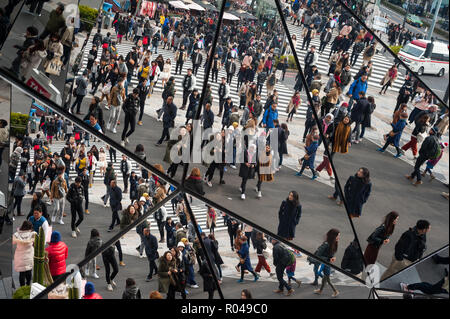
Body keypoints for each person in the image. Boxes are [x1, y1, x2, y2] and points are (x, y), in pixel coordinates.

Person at [313, 229, 340, 297]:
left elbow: (331, 254)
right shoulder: (326, 244)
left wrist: (332, 258)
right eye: (338, 236)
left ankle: (334, 291)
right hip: (326, 263)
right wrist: (329, 259)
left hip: (327, 264)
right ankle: (322, 290)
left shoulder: (334, 243)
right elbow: (318, 256)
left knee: (326, 279)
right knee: (326, 279)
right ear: (333, 236)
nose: (339, 237)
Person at [13, 221, 36, 286]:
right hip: (29, 257)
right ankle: (28, 285)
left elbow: (13, 242)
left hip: (20, 257)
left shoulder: (16, 234)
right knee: (29, 272)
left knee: (21, 274)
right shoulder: (33, 234)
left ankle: (22, 287)